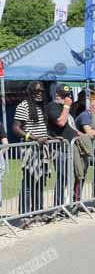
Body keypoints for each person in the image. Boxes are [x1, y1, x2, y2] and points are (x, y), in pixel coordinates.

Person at [12, 81, 51, 228]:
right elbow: (16, 128)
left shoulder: (41, 107)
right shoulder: (24, 106)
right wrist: (34, 138)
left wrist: (51, 137)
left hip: (42, 150)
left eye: (41, 91)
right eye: (36, 91)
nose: (39, 93)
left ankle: (38, 213)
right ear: (30, 92)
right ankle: (24, 216)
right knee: (28, 183)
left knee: (40, 183)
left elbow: (41, 129)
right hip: (30, 150)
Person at [45, 84, 77, 212]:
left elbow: (69, 127)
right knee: (62, 177)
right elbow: (61, 122)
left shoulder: (65, 108)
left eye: (68, 96)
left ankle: (67, 204)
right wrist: (67, 105)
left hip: (69, 148)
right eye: (63, 96)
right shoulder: (53, 106)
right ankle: (58, 206)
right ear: (57, 95)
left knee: (69, 177)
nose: (66, 98)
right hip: (59, 149)